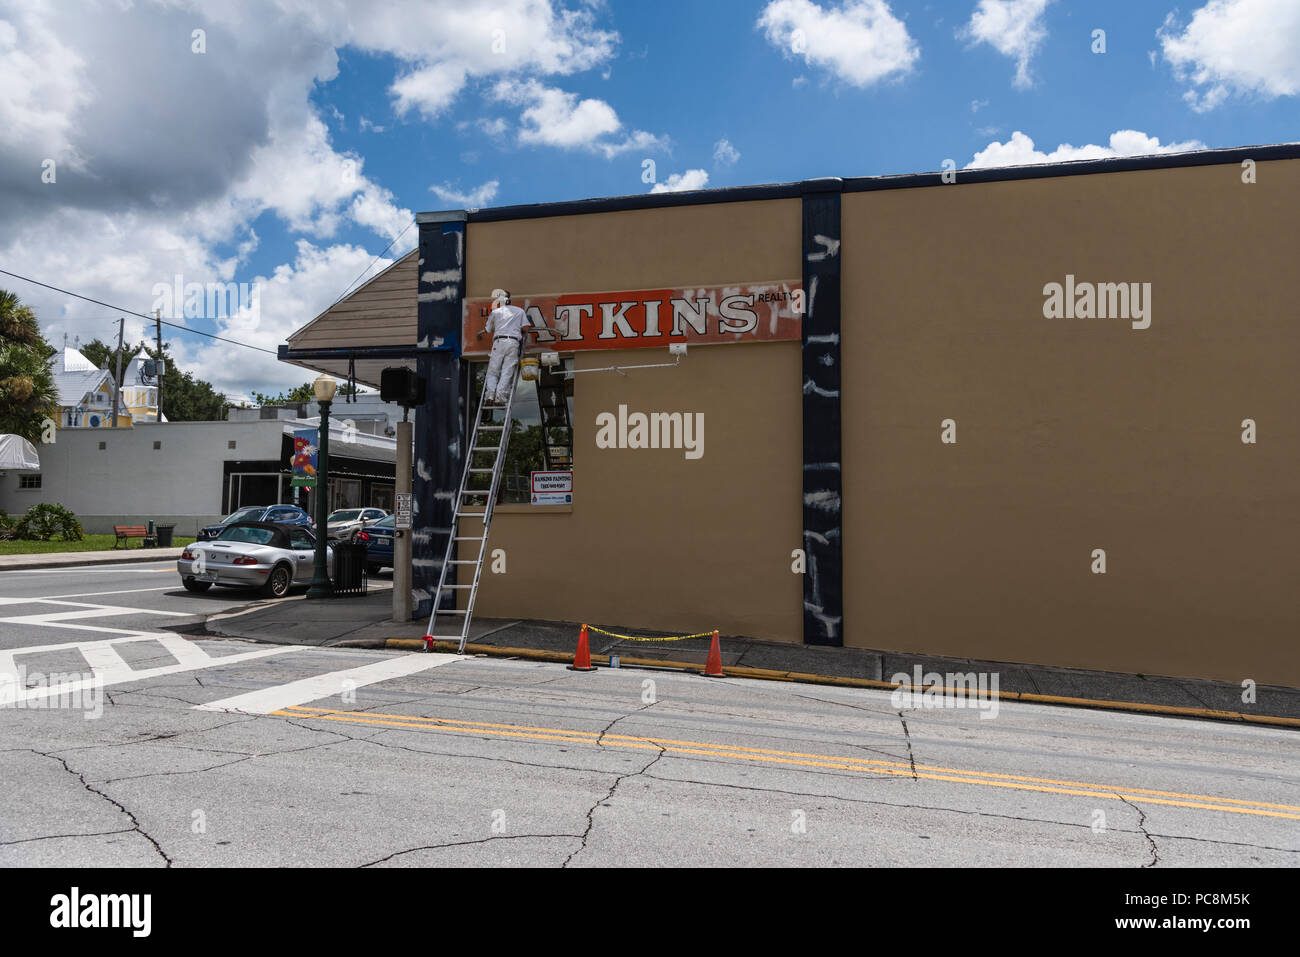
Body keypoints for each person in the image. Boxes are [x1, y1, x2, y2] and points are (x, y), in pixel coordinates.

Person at [479, 288, 531, 404]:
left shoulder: (495, 313)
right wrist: (519, 330)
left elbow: (488, 329)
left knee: (493, 371)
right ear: (509, 300)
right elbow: (526, 328)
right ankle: (500, 397)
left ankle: (490, 395)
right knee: (507, 371)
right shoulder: (519, 311)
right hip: (513, 343)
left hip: (499, 342)